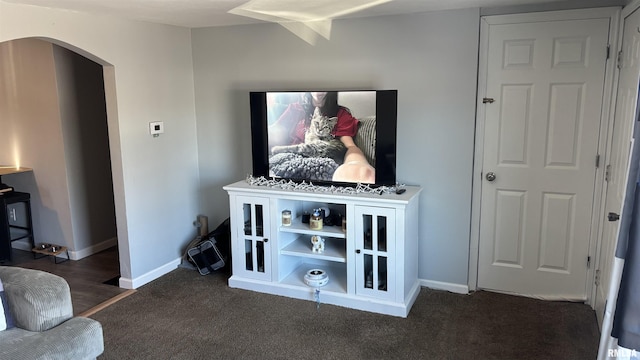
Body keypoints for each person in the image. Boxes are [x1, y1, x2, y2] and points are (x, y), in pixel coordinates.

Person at [268, 92, 375, 184]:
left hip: (320, 162)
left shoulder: (340, 114)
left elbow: (349, 146)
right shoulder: (295, 109)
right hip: (289, 159)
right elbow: (275, 132)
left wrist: (356, 164)